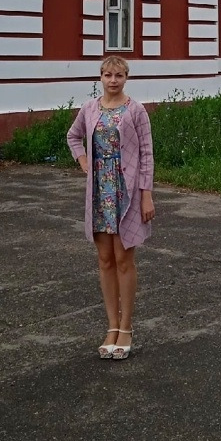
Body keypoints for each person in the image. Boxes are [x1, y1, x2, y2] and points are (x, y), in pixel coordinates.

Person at [66, 55, 155, 360]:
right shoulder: (90, 108)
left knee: (124, 258)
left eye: (118, 75)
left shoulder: (136, 111)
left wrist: (146, 194)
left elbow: (146, 155)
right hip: (99, 192)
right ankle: (112, 326)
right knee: (104, 259)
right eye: (107, 75)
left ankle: (127, 328)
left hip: (126, 193)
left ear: (126, 78)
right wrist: (84, 162)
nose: (113, 80)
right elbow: (73, 136)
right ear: (100, 77)